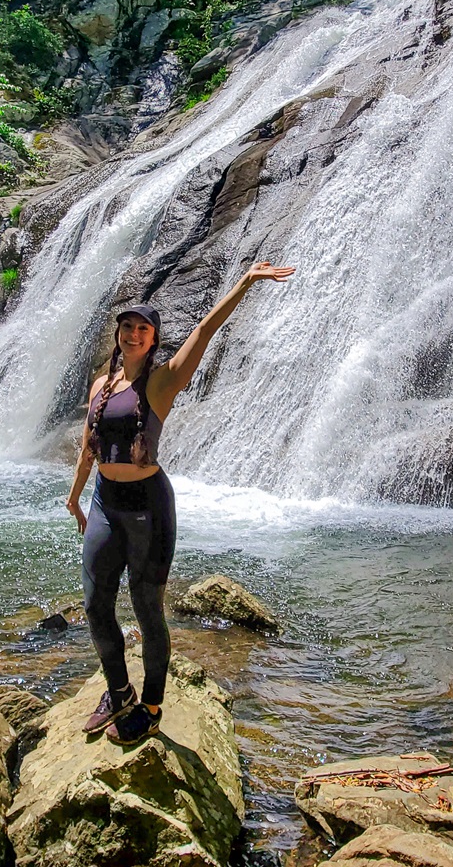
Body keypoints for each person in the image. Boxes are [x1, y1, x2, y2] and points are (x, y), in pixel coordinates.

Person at [65, 260, 295, 744]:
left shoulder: (162, 381)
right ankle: (118, 691)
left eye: (142, 329)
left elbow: (206, 331)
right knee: (95, 604)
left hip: (148, 504)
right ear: (119, 334)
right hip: (106, 502)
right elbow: (90, 445)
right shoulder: (100, 386)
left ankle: (150, 706)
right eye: (126, 327)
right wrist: (75, 498)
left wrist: (245, 283)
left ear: (152, 340)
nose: (132, 334)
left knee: (148, 609)